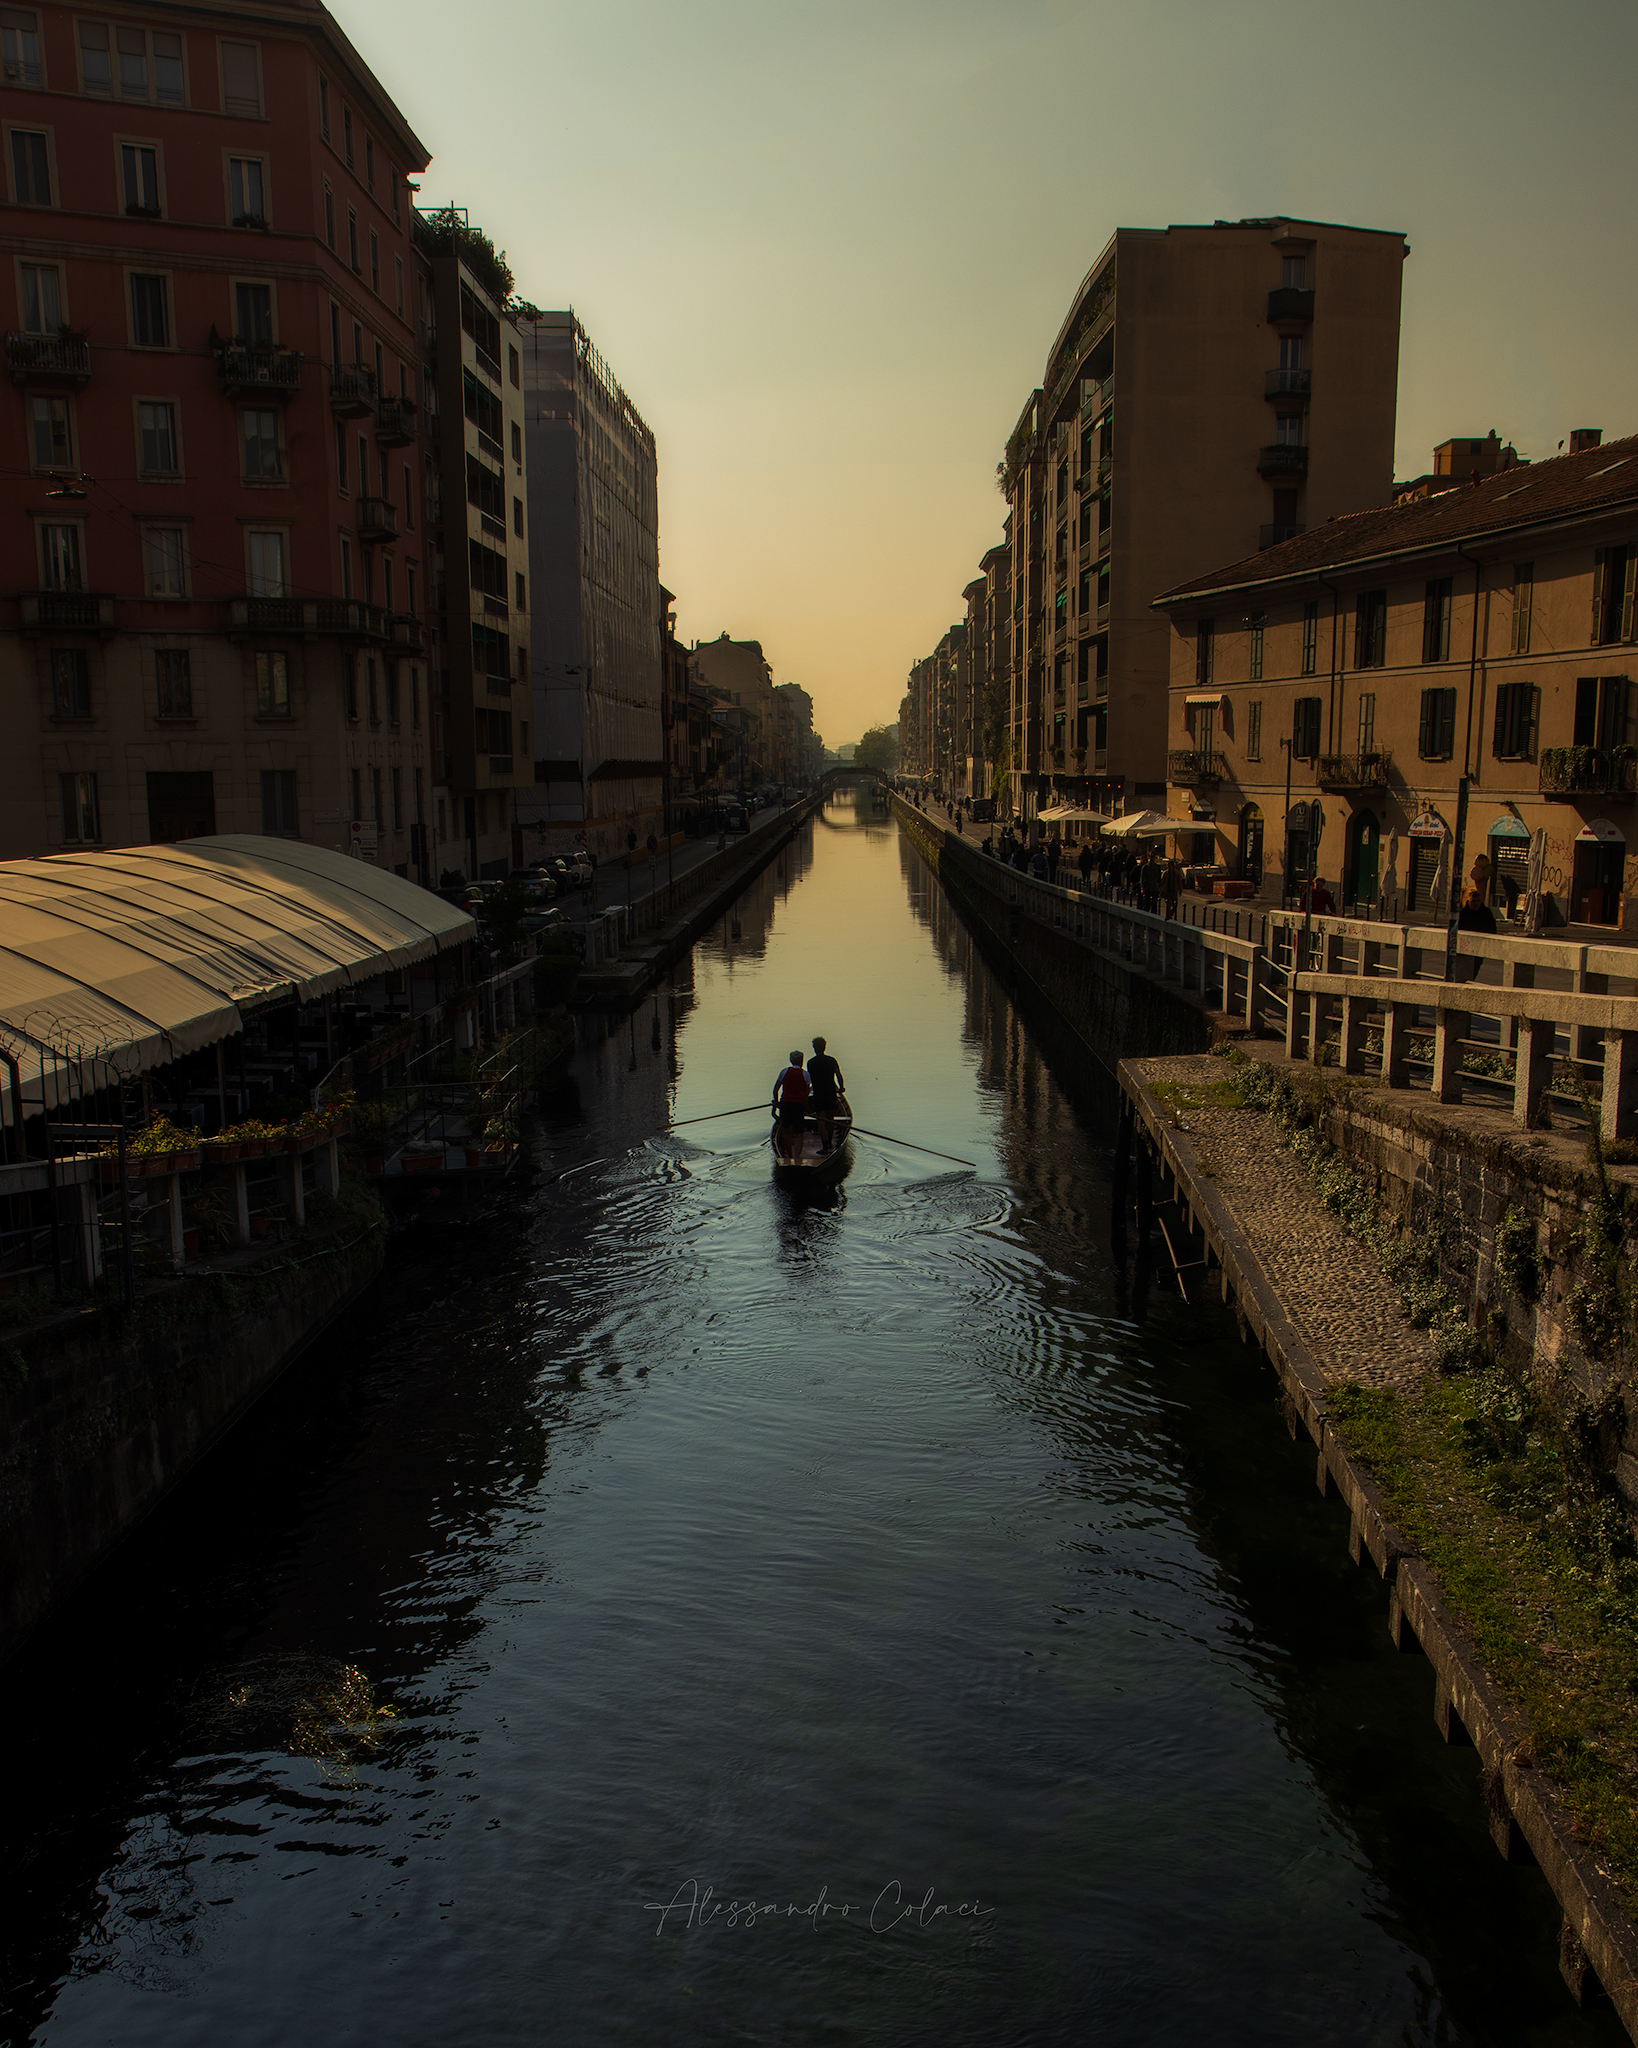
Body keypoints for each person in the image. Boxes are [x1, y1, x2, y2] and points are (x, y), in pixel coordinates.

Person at [807, 1036, 846, 1151]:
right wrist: (842, 1088)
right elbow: (839, 1075)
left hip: (818, 1093)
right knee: (830, 1119)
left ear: (814, 1048)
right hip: (830, 1093)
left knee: (821, 1120)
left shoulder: (811, 1063)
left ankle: (824, 1146)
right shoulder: (832, 1060)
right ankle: (829, 1142)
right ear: (825, 1047)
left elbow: (809, 1080)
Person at [772, 1051, 810, 1163]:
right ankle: (797, 1159)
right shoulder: (806, 1074)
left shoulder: (784, 1072)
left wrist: (777, 1102)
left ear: (791, 1060)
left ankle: (788, 1157)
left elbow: (775, 1089)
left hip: (785, 1104)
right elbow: (806, 1094)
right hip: (798, 1105)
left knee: (786, 1132)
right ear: (802, 1061)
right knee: (799, 1134)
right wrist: (804, 1107)